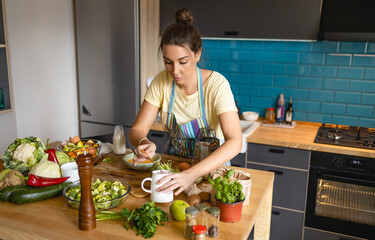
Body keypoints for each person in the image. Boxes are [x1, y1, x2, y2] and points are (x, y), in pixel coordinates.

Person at [129, 8, 242, 195]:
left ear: (197, 55)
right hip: (173, 170)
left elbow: (235, 141)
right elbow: (137, 129)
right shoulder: (161, 82)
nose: (175, 71)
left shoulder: (217, 85)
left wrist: (192, 173)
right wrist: (144, 141)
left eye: (183, 62)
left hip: (212, 173)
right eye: (168, 62)